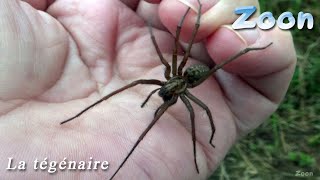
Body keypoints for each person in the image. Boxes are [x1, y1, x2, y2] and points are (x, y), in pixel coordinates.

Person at [0, 0, 296, 179]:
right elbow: (161, 47)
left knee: (199, 96)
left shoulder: (185, 88)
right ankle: (82, 112)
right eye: (168, 88)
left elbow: (199, 112)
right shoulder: (168, 77)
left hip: (192, 77)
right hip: (183, 76)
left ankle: (243, 47)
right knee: (140, 81)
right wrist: (182, 21)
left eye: (168, 90)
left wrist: (186, 21)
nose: (166, 90)